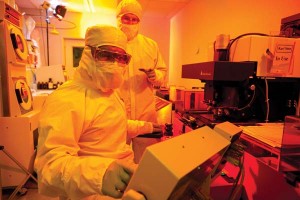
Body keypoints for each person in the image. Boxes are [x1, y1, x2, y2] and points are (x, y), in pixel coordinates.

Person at [34, 25, 137, 200]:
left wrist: (148, 127)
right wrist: (99, 175)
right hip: (88, 193)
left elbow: (109, 127)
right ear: (89, 54)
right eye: (106, 55)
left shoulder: (110, 92)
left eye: (121, 58)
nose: (115, 64)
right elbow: (49, 165)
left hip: (121, 186)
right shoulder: (67, 99)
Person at [116, 0, 168, 141]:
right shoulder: (111, 44)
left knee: (145, 157)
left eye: (135, 19)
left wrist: (154, 75)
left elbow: (162, 73)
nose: (130, 23)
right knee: (118, 155)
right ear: (118, 18)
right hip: (117, 111)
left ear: (139, 21)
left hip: (145, 112)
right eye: (126, 18)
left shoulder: (150, 45)